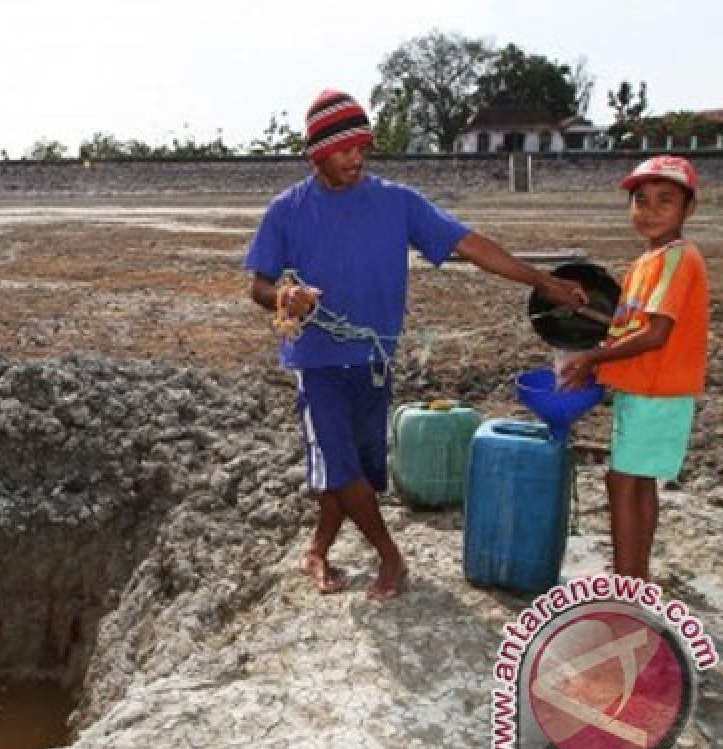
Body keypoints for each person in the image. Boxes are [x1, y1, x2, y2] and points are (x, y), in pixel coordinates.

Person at [244, 89, 587, 599]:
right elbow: (258, 285)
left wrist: (541, 281)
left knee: (355, 469)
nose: (356, 157)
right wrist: (286, 297)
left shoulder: (397, 202)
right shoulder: (287, 210)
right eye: (343, 149)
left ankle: (316, 550)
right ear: (317, 153)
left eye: (363, 146)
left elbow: (470, 244)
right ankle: (391, 556)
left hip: (375, 360)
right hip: (316, 360)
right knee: (338, 462)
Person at [558, 155, 709, 582]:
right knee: (638, 482)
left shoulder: (678, 258)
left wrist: (593, 358)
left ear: (688, 208)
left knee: (621, 483)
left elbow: (656, 335)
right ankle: (635, 574)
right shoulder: (645, 262)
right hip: (642, 389)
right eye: (641, 201)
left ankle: (626, 583)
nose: (650, 211)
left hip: (656, 390)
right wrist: (596, 338)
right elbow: (630, 326)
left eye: (665, 201)